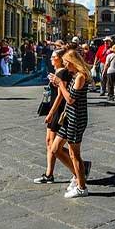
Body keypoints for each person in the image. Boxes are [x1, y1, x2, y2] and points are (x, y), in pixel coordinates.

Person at [34, 49, 91, 185]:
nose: (65, 65)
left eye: (67, 62)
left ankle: (80, 182)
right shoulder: (73, 74)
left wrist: (59, 83)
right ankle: (77, 175)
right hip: (68, 117)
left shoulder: (79, 76)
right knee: (54, 148)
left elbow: (69, 99)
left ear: (72, 62)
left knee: (73, 154)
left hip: (74, 118)